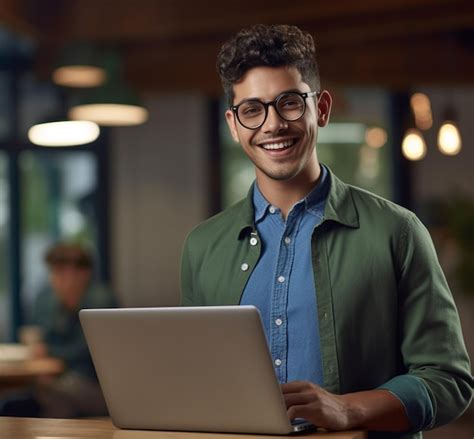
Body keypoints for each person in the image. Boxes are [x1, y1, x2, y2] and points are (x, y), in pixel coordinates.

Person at [180, 24, 473, 438]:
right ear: (233, 124)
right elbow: (197, 380)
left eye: (289, 103)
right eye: (252, 110)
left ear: (322, 108)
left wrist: (349, 409)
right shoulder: (202, 246)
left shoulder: (398, 232)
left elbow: (449, 382)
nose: (273, 124)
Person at [0, 241, 116, 418]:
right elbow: (41, 337)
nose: (57, 279)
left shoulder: (101, 302)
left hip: (96, 385)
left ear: (84, 274)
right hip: (52, 379)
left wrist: (50, 353)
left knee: (57, 395)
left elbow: (88, 352)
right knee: (13, 403)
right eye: (54, 272)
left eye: (63, 272)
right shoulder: (47, 300)